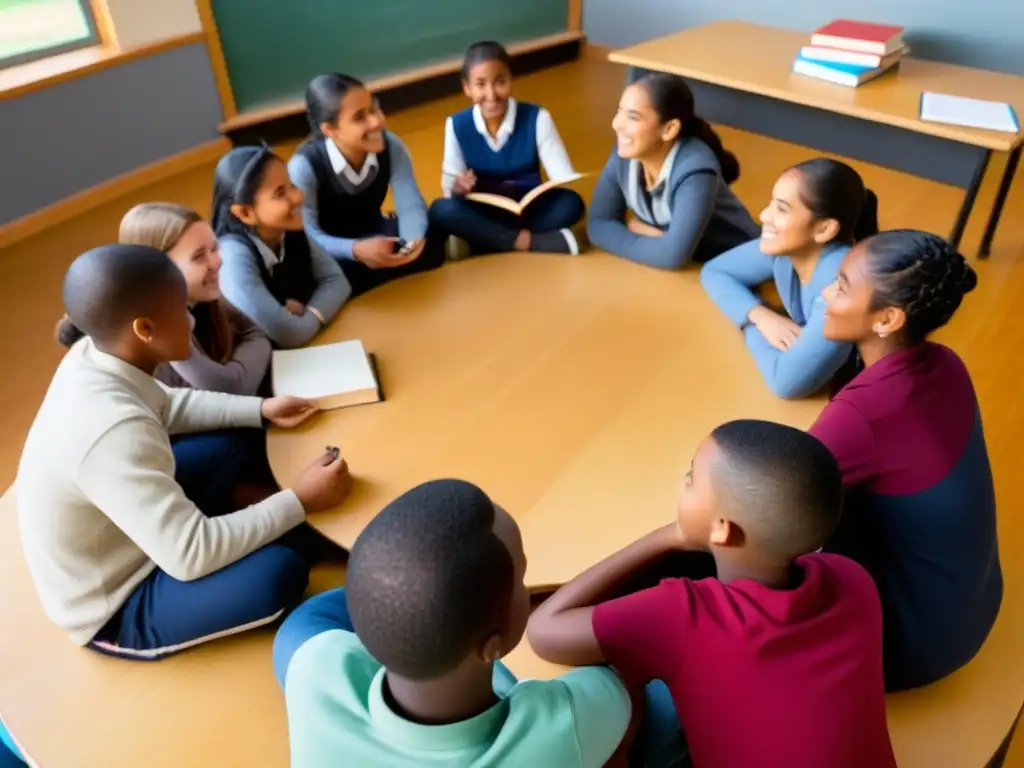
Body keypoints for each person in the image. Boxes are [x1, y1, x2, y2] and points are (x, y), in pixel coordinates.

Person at [17, 244, 352, 659]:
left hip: (134, 529)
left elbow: (170, 404)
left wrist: (260, 409)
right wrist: (300, 501)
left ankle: (276, 516)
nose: (191, 318)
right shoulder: (112, 432)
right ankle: (292, 523)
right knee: (280, 573)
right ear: (145, 329)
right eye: (181, 309)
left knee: (237, 441)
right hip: (120, 599)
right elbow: (191, 554)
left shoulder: (95, 352)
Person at [527, 419, 896, 768]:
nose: (683, 481)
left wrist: (672, 536)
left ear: (722, 529)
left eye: (690, 477)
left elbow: (543, 630)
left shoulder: (684, 614)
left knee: (620, 685)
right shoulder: (854, 580)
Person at [273, 479, 635, 767]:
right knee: (661, 702)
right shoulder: (560, 726)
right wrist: (671, 539)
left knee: (300, 630)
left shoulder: (314, 665)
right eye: (522, 578)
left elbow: (321, 647)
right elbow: (621, 671)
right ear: (493, 645)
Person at [810, 229, 1001, 691]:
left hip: (907, 649)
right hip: (971, 607)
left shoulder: (859, 416)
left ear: (888, 318)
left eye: (841, 286)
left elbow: (769, 501)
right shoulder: (946, 363)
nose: (824, 294)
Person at [700, 158, 879, 399]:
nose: (764, 215)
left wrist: (748, 324)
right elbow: (715, 272)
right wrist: (760, 316)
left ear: (824, 229)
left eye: (781, 209)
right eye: (771, 204)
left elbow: (786, 383)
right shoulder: (787, 251)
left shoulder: (841, 285)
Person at [289, 73, 446, 296]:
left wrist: (412, 242)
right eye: (359, 117)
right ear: (329, 130)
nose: (377, 121)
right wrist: (355, 250)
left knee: (432, 248)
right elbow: (309, 235)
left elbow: (410, 203)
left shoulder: (391, 145)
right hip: (334, 251)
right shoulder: (304, 166)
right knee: (327, 276)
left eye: (375, 109)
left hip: (374, 232)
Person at [427, 41, 586, 258]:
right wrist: (458, 188)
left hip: (528, 210)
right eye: (480, 85)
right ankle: (528, 241)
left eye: (500, 81)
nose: (491, 94)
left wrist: (554, 186)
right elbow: (450, 191)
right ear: (467, 88)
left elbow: (563, 177)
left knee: (571, 203)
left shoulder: (538, 118)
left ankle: (482, 243)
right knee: (440, 210)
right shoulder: (456, 125)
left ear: (511, 79)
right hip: (485, 213)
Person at [587, 73, 759, 271]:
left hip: (735, 263)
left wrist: (649, 237)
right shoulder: (626, 155)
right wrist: (661, 244)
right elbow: (599, 225)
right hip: (692, 263)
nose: (616, 124)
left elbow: (672, 257)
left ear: (669, 129)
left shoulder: (695, 169)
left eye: (633, 117)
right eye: (619, 111)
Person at [111, 202, 270, 395]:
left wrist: (238, 374)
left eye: (214, 248)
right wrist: (242, 373)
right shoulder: (159, 332)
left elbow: (257, 334)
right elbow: (230, 389)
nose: (216, 262)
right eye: (198, 257)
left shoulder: (199, 296)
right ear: (158, 274)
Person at [212, 145, 351, 349]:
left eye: (292, 185)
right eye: (280, 193)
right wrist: (308, 316)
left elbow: (337, 282)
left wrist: (308, 314)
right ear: (245, 213)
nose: (298, 197)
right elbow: (290, 335)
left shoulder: (287, 228)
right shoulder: (232, 257)